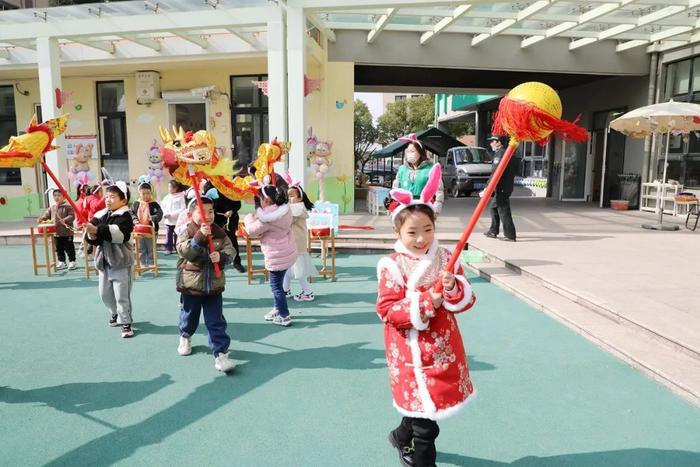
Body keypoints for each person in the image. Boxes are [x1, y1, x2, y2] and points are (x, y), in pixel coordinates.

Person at [377, 163, 477, 467]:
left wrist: (453, 287)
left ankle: (400, 434)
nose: (421, 239)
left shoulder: (447, 257)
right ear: (397, 231)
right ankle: (422, 462)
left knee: (424, 407)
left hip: (443, 347)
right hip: (409, 350)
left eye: (428, 230)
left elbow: (466, 300)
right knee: (426, 423)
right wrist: (424, 303)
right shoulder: (391, 265)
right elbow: (386, 309)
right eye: (412, 232)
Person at [175, 197, 236, 373]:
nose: (207, 216)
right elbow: (185, 251)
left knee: (215, 321)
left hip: (214, 286)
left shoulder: (220, 232)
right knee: (189, 315)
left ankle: (221, 353)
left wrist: (222, 257)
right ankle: (185, 336)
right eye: (202, 212)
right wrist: (200, 236)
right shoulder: (186, 231)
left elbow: (230, 250)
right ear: (190, 214)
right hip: (191, 284)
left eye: (210, 212)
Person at [84, 182, 135, 338]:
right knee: (104, 294)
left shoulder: (126, 216)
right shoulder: (100, 215)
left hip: (120, 262)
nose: (108, 199)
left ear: (123, 201)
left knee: (121, 295)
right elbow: (93, 237)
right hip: (103, 262)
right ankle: (114, 312)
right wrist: (91, 235)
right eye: (107, 196)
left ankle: (126, 321)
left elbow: (120, 235)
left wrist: (97, 230)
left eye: (113, 196)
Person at [243, 184, 297, 327]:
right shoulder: (284, 210)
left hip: (276, 255)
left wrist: (249, 217)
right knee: (278, 285)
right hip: (287, 252)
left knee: (276, 287)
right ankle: (277, 309)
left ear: (266, 201)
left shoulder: (266, 218)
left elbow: (251, 230)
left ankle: (284, 315)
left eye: (260, 199)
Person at [392, 134, 444, 214]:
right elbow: (395, 189)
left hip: (424, 209)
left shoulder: (430, 169)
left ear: (420, 152)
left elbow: (439, 190)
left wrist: (436, 210)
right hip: (405, 209)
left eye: (412, 151)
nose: (409, 154)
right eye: (408, 151)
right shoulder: (402, 169)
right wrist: (394, 207)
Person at [284, 182, 317, 302]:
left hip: (296, 242)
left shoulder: (297, 208)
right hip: (292, 241)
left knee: (298, 270)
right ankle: (285, 290)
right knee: (288, 267)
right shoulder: (293, 207)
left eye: (291, 195)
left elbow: (287, 221)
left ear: (299, 197)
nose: (289, 198)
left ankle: (308, 292)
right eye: (287, 196)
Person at [203, 180, 245, 273]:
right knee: (215, 241)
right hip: (216, 218)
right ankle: (216, 263)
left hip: (230, 219)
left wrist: (231, 211)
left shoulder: (231, 186)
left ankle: (237, 262)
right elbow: (206, 200)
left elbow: (237, 204)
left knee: (232, 240)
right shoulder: (210, 186)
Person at [483, 136, 517, 242]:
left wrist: (488, 187)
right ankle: (493, 231)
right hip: (503, 186)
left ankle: (510, 235)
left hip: (503, 187)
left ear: (499, 143)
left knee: (503, 210)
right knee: (493, 207)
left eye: (492, 141)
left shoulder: (500, 153)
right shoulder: (503, 152)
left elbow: (495, 172)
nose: (490, 144)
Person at [38, 189, 76, 270]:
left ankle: (72, 261)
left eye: (59, 195)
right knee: (58, 248)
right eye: (55, 196)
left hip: (67, 233)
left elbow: (72, 216)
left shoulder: (68, 207)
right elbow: (46, 215)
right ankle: (61, 261)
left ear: (64, 197)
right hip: (56, 232)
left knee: (69, 248)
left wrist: (65, 219)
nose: (57, 197)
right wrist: (42, 219)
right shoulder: (52, 207)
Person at [130, 182, 163, 266]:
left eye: (148, 193)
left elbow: (159, 214)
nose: (146, 196)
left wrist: (153, 218)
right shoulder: (136, 204)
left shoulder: (154, 204)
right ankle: (142, 263)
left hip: (151, 231)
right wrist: (134, 219)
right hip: (139, 230)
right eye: (143, 193)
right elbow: (131, 213)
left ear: (150, 193)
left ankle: (152, 264)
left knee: (151, 248)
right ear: (139, 193)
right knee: (141, 248)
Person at [161, 180, 187, 255]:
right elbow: (163, 206)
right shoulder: (167, 197)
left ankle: (178, 248)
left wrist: (171, 214)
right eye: (168, 187)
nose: (168, 188)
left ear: (175, 188)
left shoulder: (181, 197)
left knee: (177, 235)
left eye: (170, 187)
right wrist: (165, 213)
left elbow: (182, 209)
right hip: (168, 221)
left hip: (178, 221)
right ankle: (168, 248)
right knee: (168, 234)